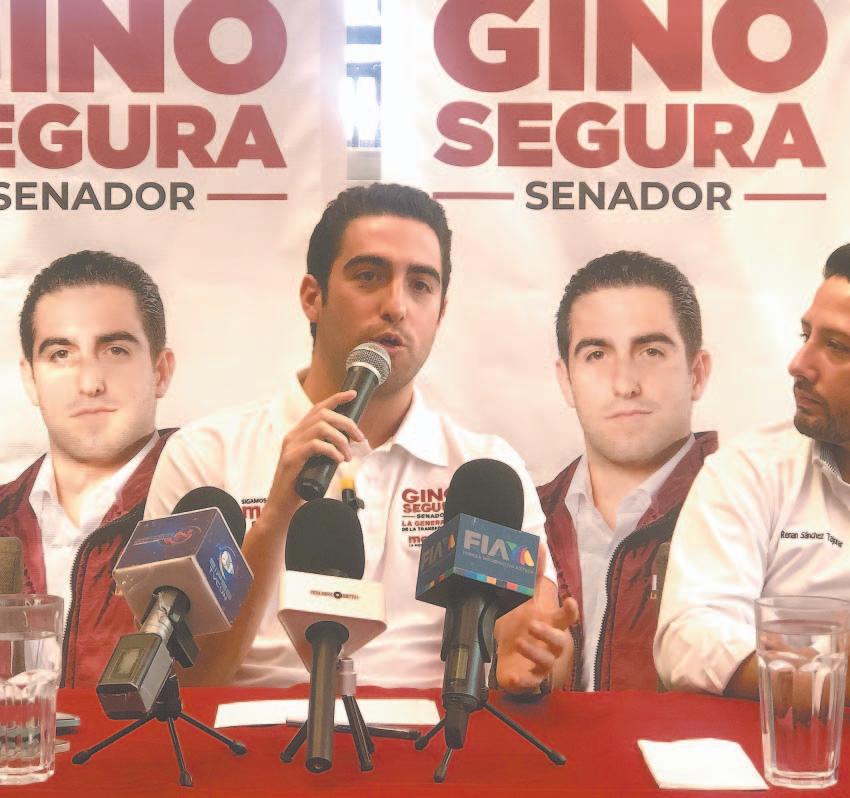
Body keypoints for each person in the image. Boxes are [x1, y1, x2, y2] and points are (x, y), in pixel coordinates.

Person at [145, 183, 576, 692]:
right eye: (369, 276)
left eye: (420, 285)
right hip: (245, 727)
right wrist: (277, 515)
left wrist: (532, 658)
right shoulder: (203, 456)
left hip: (437, 728)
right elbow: (181, 679)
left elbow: (542, 651)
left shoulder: (484, 470)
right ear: (313, 297)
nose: (396, 305)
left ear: (440, 313)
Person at [654, 244, 850, 699]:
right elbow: (691, 636)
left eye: (837, 346)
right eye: (806, 336)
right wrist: (826, 676)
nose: (799, 365)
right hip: (788, 739)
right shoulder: (749, 470)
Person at [538, 251, 715, 691]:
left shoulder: (753, 512)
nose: (624, 384)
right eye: (597, 354)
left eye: (651, 351)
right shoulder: (523, 519)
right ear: (566, 381)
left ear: (697, 374)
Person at [0, 251, 176, 686]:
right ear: (30, 379)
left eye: (115, 350)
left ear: (160, 371)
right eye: (61, 353)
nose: (90, 382)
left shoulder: (214, 507)